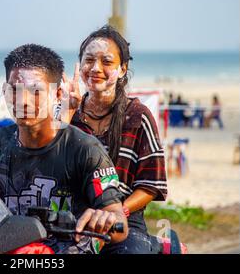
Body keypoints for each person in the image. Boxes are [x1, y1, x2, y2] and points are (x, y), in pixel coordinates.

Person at [0, 44, 128, 254]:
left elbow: (119, 222)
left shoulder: (85, 149)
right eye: (14, 90)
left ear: (57, 93)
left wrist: (106, 218)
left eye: (35, 91)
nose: (22, 101)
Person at [62, 25, 167, 254]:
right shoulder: (68, 114)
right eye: (88, 60)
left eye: (106, 62)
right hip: (71, 218)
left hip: (125, 222)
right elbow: (49, 165)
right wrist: (66, 113)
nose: (95, 68)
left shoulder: (138, 116)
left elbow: (151, 185)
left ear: (122, 69)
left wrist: (116, 213)